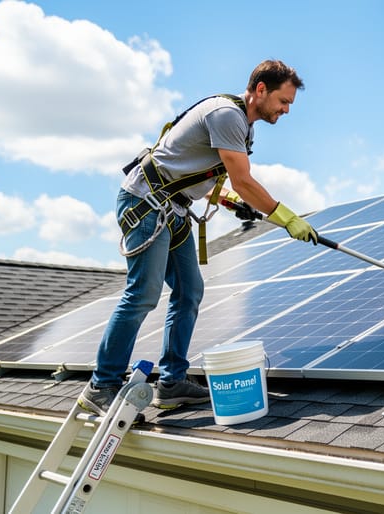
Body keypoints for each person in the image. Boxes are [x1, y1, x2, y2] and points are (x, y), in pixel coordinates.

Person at [79, 59, 317, 416]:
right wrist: (285, 217)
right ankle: (102, 385)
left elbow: (192, 168)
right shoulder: (227, 115)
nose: (286, 110)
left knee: (190, 290)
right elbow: (245, 181)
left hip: (172, 209)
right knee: (143, 293)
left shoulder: (244, 125)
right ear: (261, 90)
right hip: (145, 204)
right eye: (284, 102)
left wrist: (228, 200)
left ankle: (172, 382)